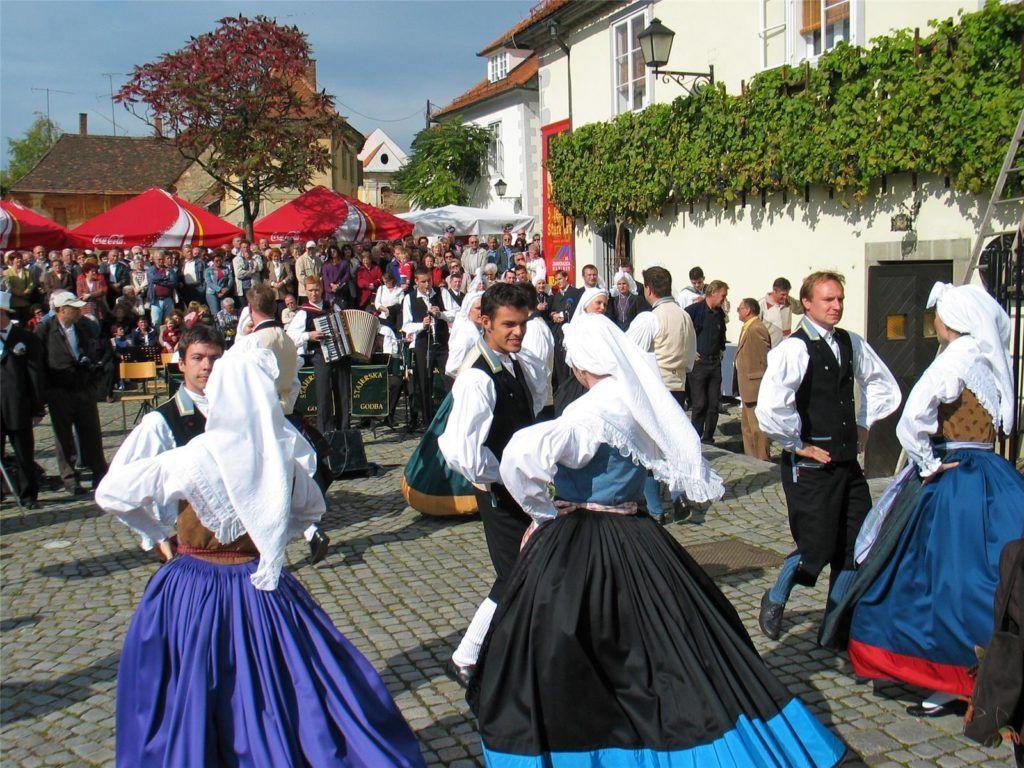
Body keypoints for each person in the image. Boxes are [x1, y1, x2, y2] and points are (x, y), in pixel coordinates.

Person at [470, 312, 850, 768]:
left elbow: (520, 456)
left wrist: (543, 511)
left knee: (564, 641)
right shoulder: (634, 398)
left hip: (582, 539)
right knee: (665, 641)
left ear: (579, 363)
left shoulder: (588, 410)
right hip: (636, 532)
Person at [94, 344, 426, 768]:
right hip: (261, 586)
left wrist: (158, 532)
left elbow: (112, 492)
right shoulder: (281, 459)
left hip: (192, 588)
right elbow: (310, 509)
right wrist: (271, 539)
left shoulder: (193, 455)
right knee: (280, 685)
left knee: (192, 685)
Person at [821, 282, 1024, 717]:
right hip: (994, 476)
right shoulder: (992, 358)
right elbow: (1006, 420)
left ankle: (950, 677)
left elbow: (910, 422)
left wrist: (928, 464)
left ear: (949, 322)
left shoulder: (953, 360)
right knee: (996, 573)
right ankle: (992, 670)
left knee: (938, 577)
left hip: (955, 482)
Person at [755, 271, 901, 641]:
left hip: (847, 463)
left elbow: (882, 382)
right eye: (828, 300)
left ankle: (835, 625)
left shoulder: (851, 343)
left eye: (839, 299)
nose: (836, 306)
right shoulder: (794, 348)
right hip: (810, 466)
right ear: (807, 303)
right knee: (816, 544)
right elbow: (771, 406)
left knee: (857, 542)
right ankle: (775, 596)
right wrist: (797, 443)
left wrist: (864, 423)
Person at [438, 283, 547, 683]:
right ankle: (467, 656)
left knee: (528, 569)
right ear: (485, 322)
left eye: (522, 324)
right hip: (500, 494)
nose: (517, 332)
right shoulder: (477, 378)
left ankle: (507, 651)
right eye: (508, 325)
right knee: (515, 573)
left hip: (519, 488)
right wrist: (503, 474)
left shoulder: (515, 362)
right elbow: (461, 451)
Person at [626, 266, 696, 523]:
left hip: (655, 391)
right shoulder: (684, 316)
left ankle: (655, 508)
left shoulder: (649, 318)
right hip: (678, 388)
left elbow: (629, 355)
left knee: (648, 450)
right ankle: (678, 495)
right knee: (671, 447)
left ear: (649, 289)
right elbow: (690, 359)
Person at [36, 291, 109, 495]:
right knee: (63, 437)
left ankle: (99, 474)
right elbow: (39, 362)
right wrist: (45, 392)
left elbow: (94, 348)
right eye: (74, 308)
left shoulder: (83, 326)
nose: (79, 311)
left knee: (92, 433)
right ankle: (69, 478)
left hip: (83, 387)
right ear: (62, 310)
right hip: (59, 390)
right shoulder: (45, 329)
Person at [288, 276, 351, 434]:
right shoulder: (304, 313)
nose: (314, 293)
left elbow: (344, 324)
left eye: (316, 289)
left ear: (321, 289)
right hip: (320, 356)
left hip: (340, 356)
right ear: (306, 291)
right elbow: (289, 337)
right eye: (310, 290)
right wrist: (309, 335)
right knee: (323, 396)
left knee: (343, 394)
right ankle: (325, 432)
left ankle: (344, 431)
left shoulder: (332, 306)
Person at [1, 291, 45, 507]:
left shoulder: (25, 338)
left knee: (23, 452)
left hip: (18, 404)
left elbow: (35, 375)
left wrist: (37, 408)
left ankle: (28, 493)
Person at [401, 268, 452, 430]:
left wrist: (441, 314)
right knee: (424, 382)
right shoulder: (409, 298)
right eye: (423, 282)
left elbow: (457, 313)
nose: (427, 285)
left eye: (429, 281)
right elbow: (406, 325)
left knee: (449, 379)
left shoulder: (441, 292)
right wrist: (421, 325)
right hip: (424, 343)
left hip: (442, 343)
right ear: (416, 282)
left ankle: (452, 417)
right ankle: (428, 421)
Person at [686, 279, 729, 445]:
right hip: (698, 364)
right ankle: (694, 437)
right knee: (700, 403)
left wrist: (721, 349)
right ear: (713, 293)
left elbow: (721, 335)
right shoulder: (694, 310)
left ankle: (708, 437)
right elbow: (683, 331)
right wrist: (689, 349)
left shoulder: (719, 314)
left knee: (713, 404)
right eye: (723, 296)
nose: (724, 299)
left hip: (714, 363)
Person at [552, 286, 607, 416]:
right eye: (598, 303)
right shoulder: (577, 326)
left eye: (605, 304)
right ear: (586, 304)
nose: (602, 307)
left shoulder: (604, 324)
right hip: (582, 381)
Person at [733, 298, 772, 460]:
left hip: (755, 385)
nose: (737, 311)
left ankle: (762, 457)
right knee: (747, 427)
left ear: (748, 310)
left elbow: (764, 357)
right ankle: (751, 457)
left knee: (757, 427)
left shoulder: (756, 328)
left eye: (739, 308)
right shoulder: (747, 327)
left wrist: (760, 381)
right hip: (746, 385)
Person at [761, 276, 804, 348]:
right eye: (783, 294)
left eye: (787, 294)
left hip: (785, 349)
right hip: (768, 349)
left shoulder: (788, 301)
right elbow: (754, 329)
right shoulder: (762, 305)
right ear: (774, 291)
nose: (785, 297)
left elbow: (803, 308)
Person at [146, 251, 178, 327]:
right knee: (156, 321)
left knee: (168, 321)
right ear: (154, 259)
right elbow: (152, 279)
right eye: (159, 259)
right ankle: (157, 338)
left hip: (168, 299)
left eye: (162, 259)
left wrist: (159, 281)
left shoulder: (170, 270)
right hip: (156, 300)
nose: (161, 261)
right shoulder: (151, 270)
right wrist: (165, 278)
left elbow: (173, 282)